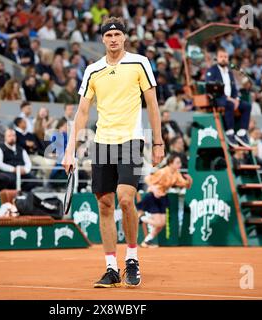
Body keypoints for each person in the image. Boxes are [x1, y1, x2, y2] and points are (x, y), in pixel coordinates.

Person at [62, 17, 164, 288]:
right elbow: (83, 111)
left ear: (125, 38)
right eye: (109, 35)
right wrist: (70, 150)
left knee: (126, 199)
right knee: (105, 204)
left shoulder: (140, 63)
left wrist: (158, 142)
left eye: (118, 34)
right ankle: (110, 267)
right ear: (103, 40)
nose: (114, 39)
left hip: (131, 139)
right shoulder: (92, 70)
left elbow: (152, 105)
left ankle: (132, 259)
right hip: (102, 143)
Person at [138, 154, 192, 247]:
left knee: (161, 224)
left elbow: (186, 185)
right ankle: (141, 218)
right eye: (177, 163)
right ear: (171, 163)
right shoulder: (163, 172)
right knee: (159, 222)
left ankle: (146, 241)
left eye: (180, 163)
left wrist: (189, 180)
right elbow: (147, 179)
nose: (180, 165)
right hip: (153, 197)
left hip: (162, 197)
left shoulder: (176, 174)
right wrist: (154, 189)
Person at [205, 47, 252, 148]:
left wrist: (236, 99)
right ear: (217, 58)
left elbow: (234, 88)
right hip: (217, 99)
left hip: (230, 99)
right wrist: (228, 98)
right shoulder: (212, 71)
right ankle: (229, 132)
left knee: (247, 106)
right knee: (229, 104)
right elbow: (211, 88)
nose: (223, 59)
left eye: (225, 57)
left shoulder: (229, 72)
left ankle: (241, 133)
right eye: (221, 57)